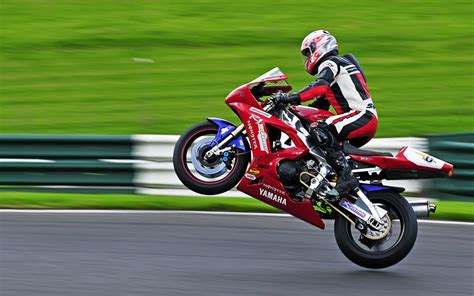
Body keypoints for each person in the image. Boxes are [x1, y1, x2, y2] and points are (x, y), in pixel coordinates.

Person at [273, 30, 378, 199]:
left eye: (308, 53)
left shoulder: (331, 63)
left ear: (319, 46)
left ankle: (346, 176)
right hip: (360, 118)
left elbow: (319, 86)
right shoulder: (339, 66)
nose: (307, 58)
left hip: (361, 116)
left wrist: (288, 98)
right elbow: (320, 104)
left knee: (318, 128)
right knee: (313, 125)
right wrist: (293, 109)